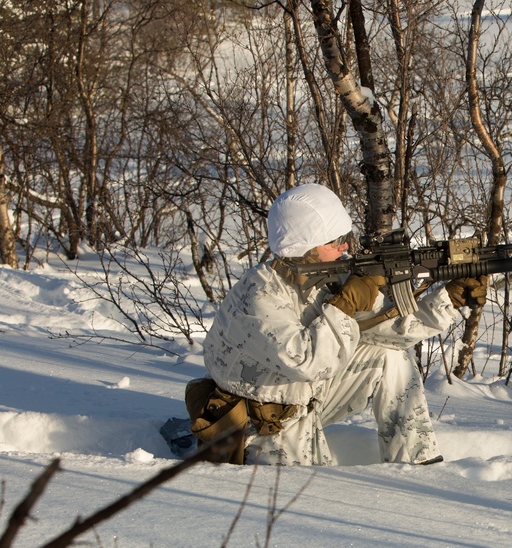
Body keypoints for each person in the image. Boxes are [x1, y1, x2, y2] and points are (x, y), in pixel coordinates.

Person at [196, 183, 486, 466]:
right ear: (306, 248)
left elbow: (384, 332)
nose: (345, 246)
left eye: (344, 237)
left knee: (391, 356)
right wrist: (343, 307)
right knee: (307, 499)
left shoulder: (321, 279)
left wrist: (447, 299)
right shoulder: (257, 297)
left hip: (308, 400)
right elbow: (310, 363)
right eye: (334, 242)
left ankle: (417, 463)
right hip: (261, 427)